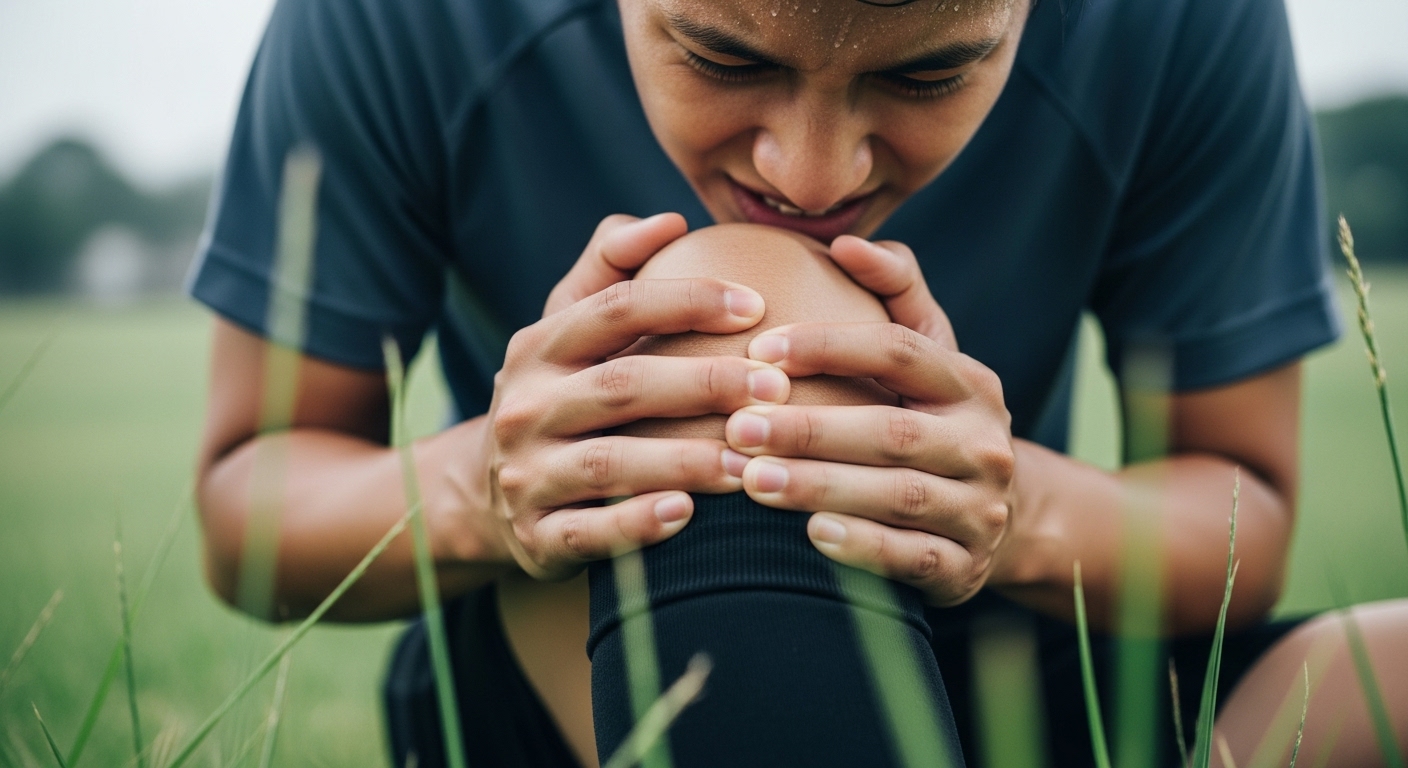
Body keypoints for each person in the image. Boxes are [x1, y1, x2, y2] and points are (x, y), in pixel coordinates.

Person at [188, 0, 1408, 765]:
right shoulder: (394, 18)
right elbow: (251, 507)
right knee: (732, 302)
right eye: (721, 54)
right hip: (582, 679)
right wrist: (496, 481)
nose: (810, 176)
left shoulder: (1185, 19)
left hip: (1030, 662)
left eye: (926, 76)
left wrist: (1007, 505)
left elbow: (1239, 513)